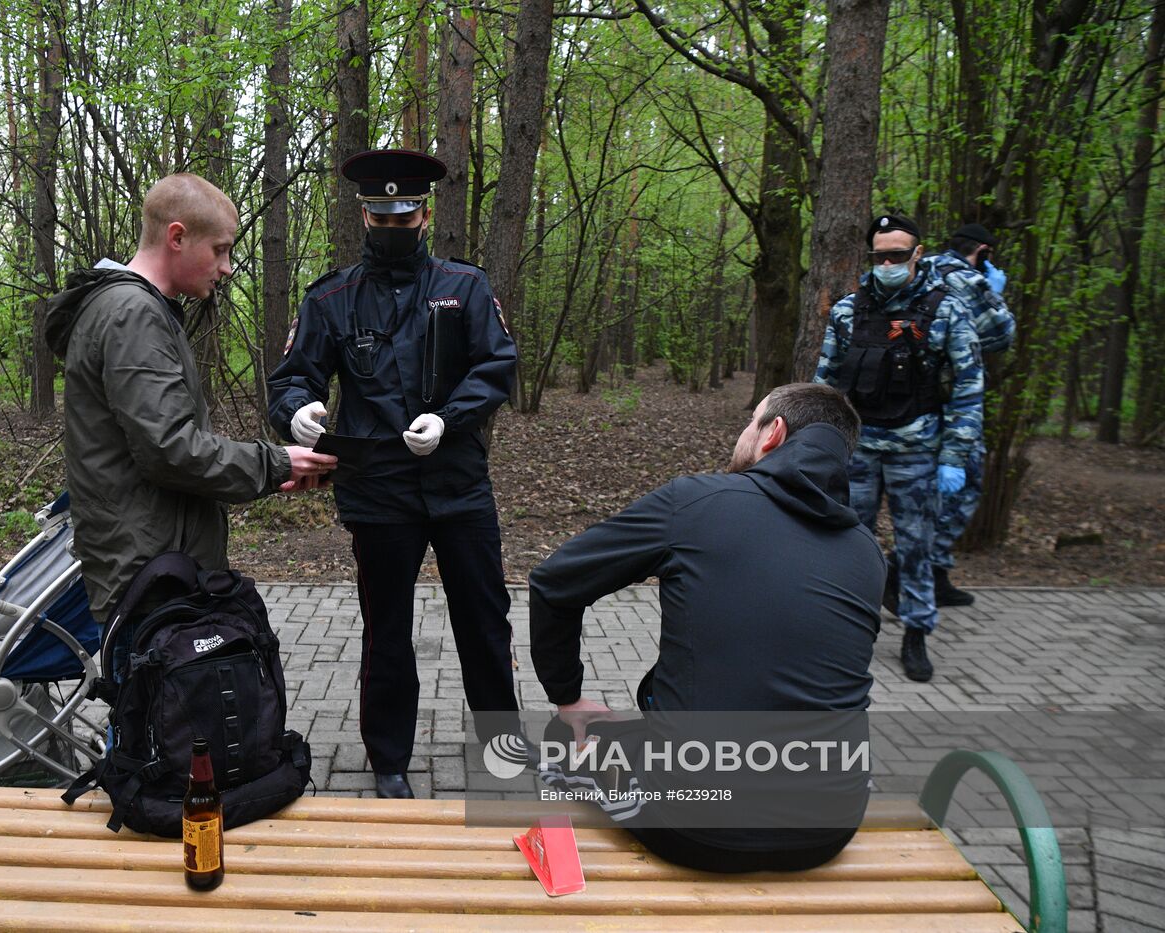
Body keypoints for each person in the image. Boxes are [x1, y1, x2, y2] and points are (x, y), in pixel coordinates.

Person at [528, 383, 882, 872]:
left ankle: (569, 869)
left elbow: (554, 582)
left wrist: (567, 695)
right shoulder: (865, 550)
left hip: (695, 826)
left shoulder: (695, 503)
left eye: (749, 421)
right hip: (829, 828)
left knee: (563, 736)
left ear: (772, 433)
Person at [267, 149, 519, 799]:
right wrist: (297, 411)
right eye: (380, 215)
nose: (391, 226)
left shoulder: (465, 287)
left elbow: (497, 367)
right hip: (377, 489)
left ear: (425, 214)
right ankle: (388, 762)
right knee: (387, 630)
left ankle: (504, 752)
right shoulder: (333, 296)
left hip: (458, 483)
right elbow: (292, 376)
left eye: (402, 217)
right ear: (364, 215)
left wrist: (451, 418)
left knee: (485, 624)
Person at [44, 172, 337, 623]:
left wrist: (272, 469)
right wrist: (278, 462)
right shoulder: (132, 314)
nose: (228, 267)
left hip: (155, 563)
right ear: (177, 237)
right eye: (220, 249)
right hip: (152, 575)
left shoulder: (131, 308)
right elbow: (170, 449)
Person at [814, 213, 983, 682]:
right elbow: (825, 383)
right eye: (880, 255)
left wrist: (954, 456)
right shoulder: (849, 311)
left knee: (916, 546)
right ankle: (850, 631)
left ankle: (916, 633)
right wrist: (816, 442)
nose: (888, 262)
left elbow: (969, 387)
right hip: (859, 448)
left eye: (897, 254)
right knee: (850, 542)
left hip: (918, 450)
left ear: (917, 254)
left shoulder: (946, 309)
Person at [919, 222, 1016, 606]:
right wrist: (994, 294)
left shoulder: (920, 267)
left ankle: (934, 576)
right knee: (963, 487)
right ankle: (911, 567)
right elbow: (1000, 335)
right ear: (983, 251)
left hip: (911, 403)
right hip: (954, 401)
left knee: (924, 492)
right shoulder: (966, 279)